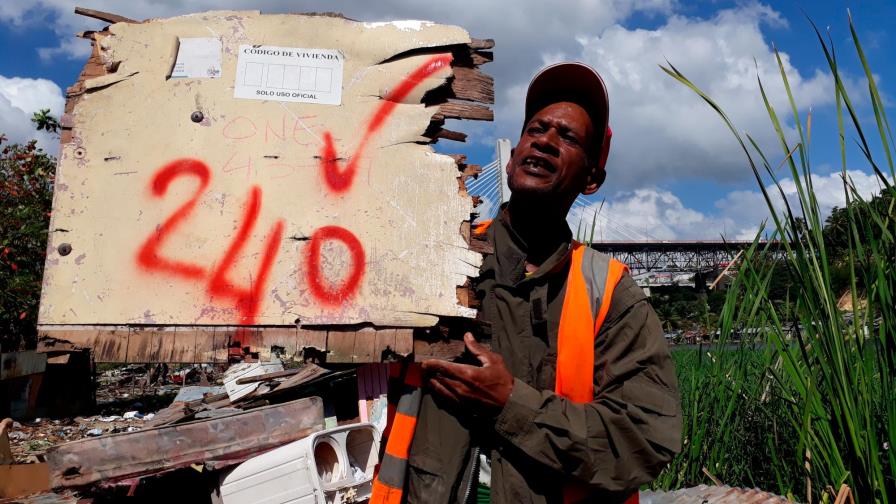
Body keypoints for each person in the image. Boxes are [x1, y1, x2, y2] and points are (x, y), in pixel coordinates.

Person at [373, 62, 681, 504]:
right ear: (512, 156)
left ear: (591, 178)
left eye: (568, 137)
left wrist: (511, 404)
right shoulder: (437, 259)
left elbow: (645, 439)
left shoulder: (611, 295)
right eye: (536, 129)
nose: (546, 140)